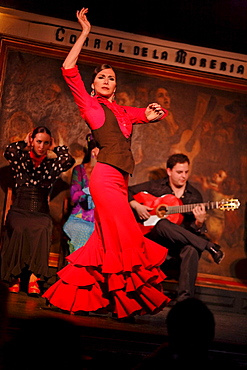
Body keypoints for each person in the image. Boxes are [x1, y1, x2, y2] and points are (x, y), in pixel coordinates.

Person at [42, 8, 171, 320]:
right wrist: (85, 32)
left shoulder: (123, 111)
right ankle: (132, 301)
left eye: (111, 78)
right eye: (100, 76)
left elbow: (150, 113)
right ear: (92, 85)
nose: (106, 80)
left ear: (116, 87)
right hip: (103, 179)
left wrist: (155, 114)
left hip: (121, 179)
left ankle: (74, 295)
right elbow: (68, 67)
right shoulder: (90, 106)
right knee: (126, 236)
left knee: (104, 243)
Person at [128, 153, 225, 302]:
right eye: (179, 172)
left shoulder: (194, 196)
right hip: (155, 241)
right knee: (162, 224)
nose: (183, 176)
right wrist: (136, 205)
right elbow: (127, 191)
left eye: (186, 172)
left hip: (177, 247)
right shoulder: (156, 186)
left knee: (192, 250)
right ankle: (209, 246)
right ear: (169, 171)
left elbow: (194, 230)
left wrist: (199, 223)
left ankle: (184, 301)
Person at [0, 126, 75, 296]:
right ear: (32, 140)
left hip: (40, 212)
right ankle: (15, 277)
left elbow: (68, 161)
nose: (41, 146)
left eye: (45, 143)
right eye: (39, 141)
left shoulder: (52, 164)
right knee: (19, 228)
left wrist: (57, 148)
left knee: (43, 226)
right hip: (19, 209)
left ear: (49, 144)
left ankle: (34, 278)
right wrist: (25, 143)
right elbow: (9, 151)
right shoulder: (21, 159)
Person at [63, 133, 99, 253]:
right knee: (84, 230)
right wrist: (89, 191)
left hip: (101, 218)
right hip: (80, 217)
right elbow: (74, 196)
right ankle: (78, 269)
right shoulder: (79, 170)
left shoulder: (108, 172)